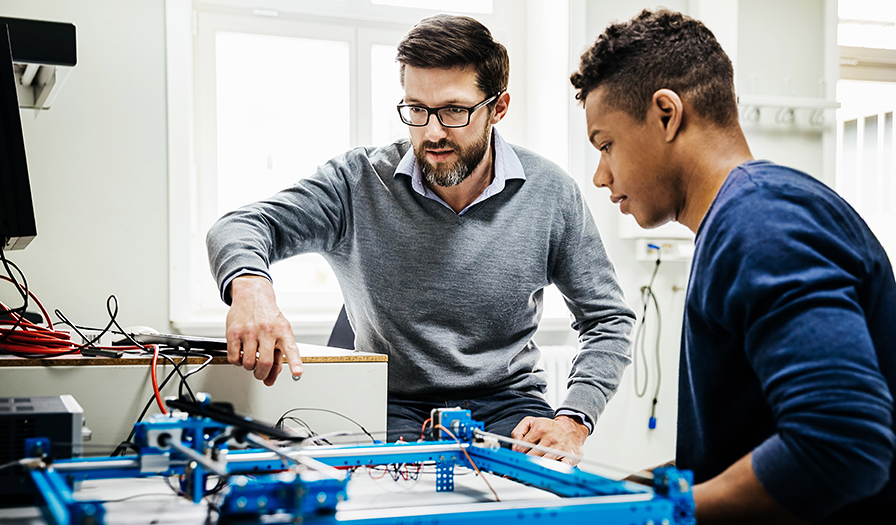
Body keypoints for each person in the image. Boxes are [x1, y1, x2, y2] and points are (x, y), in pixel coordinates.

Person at [206, 14, 635, 462]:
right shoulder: (357, 183)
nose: (431, 133)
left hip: (511, 409)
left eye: (454, 111)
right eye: (416, 109)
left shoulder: (550, 192)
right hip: (389, 407)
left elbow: (608, 319)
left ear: (499, 107)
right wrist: (251, 287)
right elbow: (239, 226)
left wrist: (573, 420)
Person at [571, 8, 896, 523]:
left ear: (666, 113)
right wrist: (642, 488)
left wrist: (661, 514)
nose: (599, 175)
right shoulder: (746, 217)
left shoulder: (761, 221)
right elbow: (755, 436)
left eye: (606, 144)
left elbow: (841, 440)